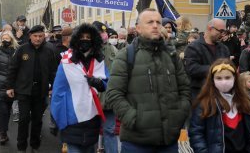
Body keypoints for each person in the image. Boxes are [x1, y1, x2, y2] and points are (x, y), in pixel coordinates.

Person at [106, 8, 191, 152]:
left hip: (168, 141)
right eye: (150, 22)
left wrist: (179, 114)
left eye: (158, 22)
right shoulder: (126, 56)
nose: (155, 25)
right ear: (138, 28)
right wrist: (134, 119)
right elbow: (114, 94)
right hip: (137, 142)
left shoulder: (171, 55)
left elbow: (185, 89)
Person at [51, 23, 108, 153]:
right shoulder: (66, 62)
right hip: (72, 119)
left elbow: (106, 82)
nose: (85, 40)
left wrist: (99, 84)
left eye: (88, 37)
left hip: (92, 117)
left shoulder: (99, 61)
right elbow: (58, 92)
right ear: (76, 39)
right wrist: (55, 118)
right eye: (82, 37)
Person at [6, 25, 57, 153]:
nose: (38, 39)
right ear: (30, 36)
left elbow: (53, 71)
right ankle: (21, 146)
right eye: (35, 36)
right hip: (24, 90)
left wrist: (53, 87)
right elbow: (13, 68)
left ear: (44, 36)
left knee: (37, 120)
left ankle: (35, 145)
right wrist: (10, 86)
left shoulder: (49, 50)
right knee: (23, 119)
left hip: (40, 91)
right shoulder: (22, 49)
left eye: (40, 36)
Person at [189, 59, 250, 153]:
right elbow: (196, 133)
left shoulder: (243, 100)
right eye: (219, 78)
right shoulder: (205, 103)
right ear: (212, 80)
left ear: (234, 78)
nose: (224, 82)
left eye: (227, 77)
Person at [184, 18, 230, 98]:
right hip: (200, 94)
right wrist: (214, 69)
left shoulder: (224, 48)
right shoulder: (193, 47)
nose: (222, 34)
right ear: (210, 29)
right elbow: (191, 69)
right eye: (221, 31)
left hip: (220, 94)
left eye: (224, 32)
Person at [92, 21, 119, 153]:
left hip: (109, 98)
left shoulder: (113, 50)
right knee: (90, 132)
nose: (104, 35)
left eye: (104, 32)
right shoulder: (87, 49)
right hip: (92, 98)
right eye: (100, 32)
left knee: (110, 131)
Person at [0, 31, 18, 144]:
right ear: (1, 40)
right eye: (4, 38)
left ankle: (4, 132)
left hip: (11, 86)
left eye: (8, 38)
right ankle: (3, 133)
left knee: (8, 110)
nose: (6, 40)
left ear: (11, 39)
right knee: (3, 110)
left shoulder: (16, 52)